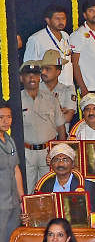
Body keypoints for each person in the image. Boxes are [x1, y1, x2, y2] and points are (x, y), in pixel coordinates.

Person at [19, 60, 66, 192]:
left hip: (48, 152)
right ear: (21, 78)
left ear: (40, 77)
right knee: (27, 190)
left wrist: (59, 151)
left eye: (35, 74)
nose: (32, 78)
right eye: (28, 74)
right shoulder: (16, 100)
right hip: (27, 152)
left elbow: (61, 127)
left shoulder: (51, 98)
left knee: (49, 189)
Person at [30, 143, 95, 212]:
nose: (61, 164)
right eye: (56, 160)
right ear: (51, 164)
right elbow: (39, 212)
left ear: (73, 164)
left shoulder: (88, 186)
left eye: (65, 160)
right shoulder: (44, 185)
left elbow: (92, 213)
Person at [23, 5, 74, 87]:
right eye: (57, 19)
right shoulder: (36, 39)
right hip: (47, 89)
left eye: (63, 18)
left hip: (67, 86)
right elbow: (29, 66)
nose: (61, 21)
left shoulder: (66, 36)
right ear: (48, 20)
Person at [0, 107, 22, 242]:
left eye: (9, 117)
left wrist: (21, 197)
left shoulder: (10, 140)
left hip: (13, 201)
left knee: (11, 240)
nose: (6, 121)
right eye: (1, 117)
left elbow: (16, 169)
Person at [39, 50, 77, 125]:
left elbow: (67, 118)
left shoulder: (68, 90)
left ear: (58, 72)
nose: (43, 72)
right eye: (42, 69)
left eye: (48, 69)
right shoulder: (34, 89)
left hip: (60, 135)